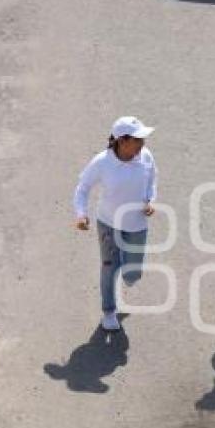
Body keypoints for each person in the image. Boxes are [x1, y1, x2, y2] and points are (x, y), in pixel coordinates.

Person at [73, 116, 158, 332]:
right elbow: (82, 188)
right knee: (109, 266)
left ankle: (128, 272)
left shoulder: (145, 156)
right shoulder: (102, 162)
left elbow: (152, 179)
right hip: (108, 223)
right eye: (138, 140)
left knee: (132, 273)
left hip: (137, 224)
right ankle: (109, 311)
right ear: (122, 140)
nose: (142, 144)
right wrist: (81, 214)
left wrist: (150, 200)